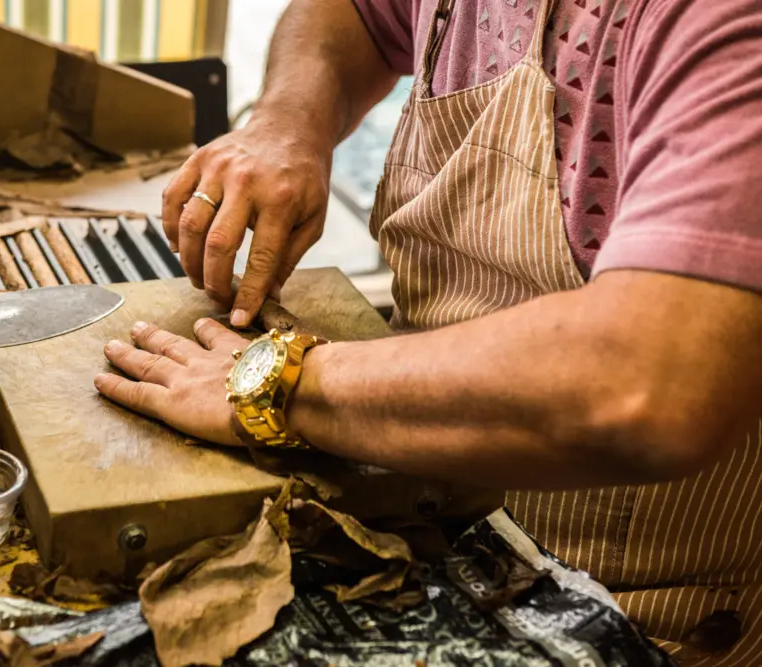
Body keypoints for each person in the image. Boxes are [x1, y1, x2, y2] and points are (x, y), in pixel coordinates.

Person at [94, 0, 762, 662]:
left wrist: (280, 383)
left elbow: (650, 384)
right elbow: (351, 14)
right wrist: (288, 119)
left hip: (631, 608)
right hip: (426, 518)